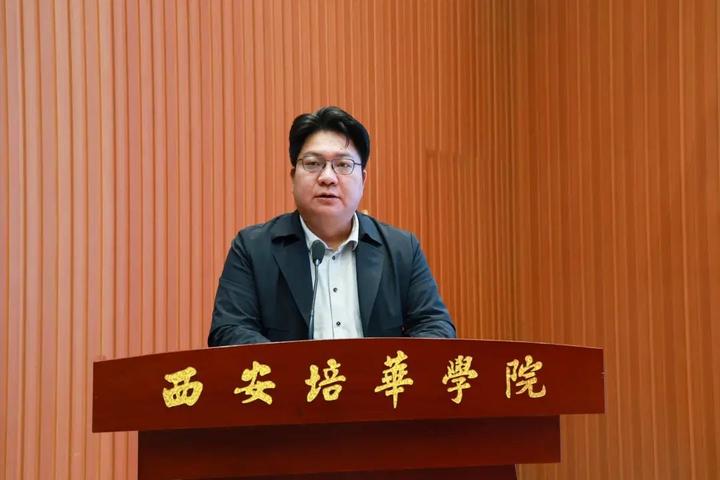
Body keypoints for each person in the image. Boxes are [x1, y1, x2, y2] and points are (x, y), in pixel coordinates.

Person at [208, 106, 455, 345]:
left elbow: (436, 327)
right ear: (293, 178)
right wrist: (294, 368)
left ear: (363, 179)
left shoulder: (402, 249)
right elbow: (230, 331)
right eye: (313, 163)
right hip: (293, 376)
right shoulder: (253, 249)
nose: (327, 177)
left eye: (343, 165)